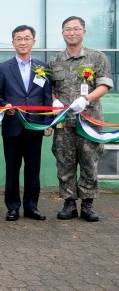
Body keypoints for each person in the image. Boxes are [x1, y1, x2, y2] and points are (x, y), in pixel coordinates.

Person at [49, 16, 112, 222]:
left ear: (83, 32)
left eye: (76, 29)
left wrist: (87, 99)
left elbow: (104, 85)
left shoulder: (97, 57)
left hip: (90, 121)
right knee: (65, 163)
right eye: (67, 29)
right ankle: (68, 203)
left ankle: (87, 204)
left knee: (89, 162)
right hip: (63, 123)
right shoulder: (55, 60)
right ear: (62, 33)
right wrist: (55, 102)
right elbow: (51, 89)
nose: (71, 33)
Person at [0, 25, 52, 221]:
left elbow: (46, 99)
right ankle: (12, 207)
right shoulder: (2, 68)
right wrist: (4, 105)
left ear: (34, 42)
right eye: (19, 38)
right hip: (12, 125)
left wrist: (48, 123)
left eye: (27, 38)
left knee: (33, 168)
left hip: (35, 126)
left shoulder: (43, 68)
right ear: (13, 43)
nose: (23, 42)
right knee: (12, 168)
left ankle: (31, 206)